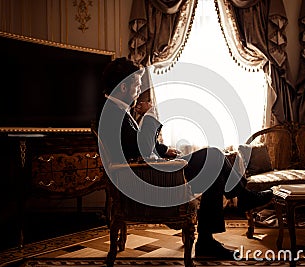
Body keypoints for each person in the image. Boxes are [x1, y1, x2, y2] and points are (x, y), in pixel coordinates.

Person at [97, 57, 273, 259]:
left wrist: (163, 150)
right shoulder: (113, 113)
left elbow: (135, 145)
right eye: (137, 85)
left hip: (151, 172)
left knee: (213, 164)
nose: (138, 91)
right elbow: (142, 149)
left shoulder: (113, 110)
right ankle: (240, 200)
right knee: (213, 156)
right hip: (151, 178)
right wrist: (151, 115)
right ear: (124, 87)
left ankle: (213, 233)